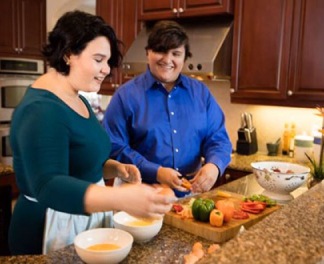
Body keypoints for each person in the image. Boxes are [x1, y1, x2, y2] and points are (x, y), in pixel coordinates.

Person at [9, 11, 175, 256]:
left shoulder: (76, 98)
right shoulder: (41, 110)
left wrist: (111, 167)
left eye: (107, 61)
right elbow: (48, 185)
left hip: (82, 221)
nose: (106, 70)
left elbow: (77, 162)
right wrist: (120, 199)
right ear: (68, 54)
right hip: (50, 227)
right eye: (98, 59)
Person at [103, 20, 232, 197]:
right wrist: (155, 172)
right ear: (148, 52)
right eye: (160, 51)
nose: (167, 59)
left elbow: (218, 139)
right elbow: (114, 147)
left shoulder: (201, 93)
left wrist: (214, 166)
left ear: (185, 58)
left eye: (176, 53)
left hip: (189, 196)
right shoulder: (125, 96)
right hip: (138, 194)